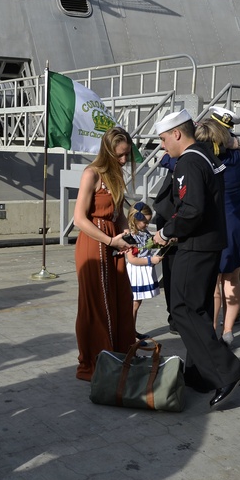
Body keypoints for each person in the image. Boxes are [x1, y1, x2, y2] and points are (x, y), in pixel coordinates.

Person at [152, 109, 240, 410]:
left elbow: (191, 209)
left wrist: (166, 233)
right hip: (210, 243)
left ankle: (225, 372)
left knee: (182, 309)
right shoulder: (207, 157)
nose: (163, 145)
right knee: (200, 309)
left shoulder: (189, 161)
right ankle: (199, 374)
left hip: (194, 246)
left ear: (177, 134)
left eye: (164, 139)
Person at [196, 108, 240, 347]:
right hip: (238, 222)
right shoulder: (235, 153)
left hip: (216, 223)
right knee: (232, 278)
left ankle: (213, 330)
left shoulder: (208, 156)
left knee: (214, 281)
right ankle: (228, 331)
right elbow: (231, 142)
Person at [72, 127, 137, 381]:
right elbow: (79, 219)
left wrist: (127, 236)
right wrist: (110, 240)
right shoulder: (92, 174)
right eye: (120, 155)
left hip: (113, 241)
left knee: (119, 297)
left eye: (126, 155)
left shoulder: (116, 174)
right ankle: (94, 361)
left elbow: (118, 214)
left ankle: (118, 355)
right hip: (94, 242)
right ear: (108, 151)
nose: (123, 160)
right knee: (97, 303)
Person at [123, 203, 162, 337]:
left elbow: (148, 244)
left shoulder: (143, 232)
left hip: (142, 269)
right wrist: (151, 260)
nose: (146, 224)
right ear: (135, 219)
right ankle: (128, 333)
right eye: (144, 222)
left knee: (136, 304)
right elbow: (132, 259)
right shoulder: (130, 235)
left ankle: (131, 330)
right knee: (133, 304)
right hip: (135, 271)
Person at [152, 154, 178, 333]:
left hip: (179, 217)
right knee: (170, 272)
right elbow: (166, 159)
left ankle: (177, 316)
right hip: (170, 216)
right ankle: (175, 317)